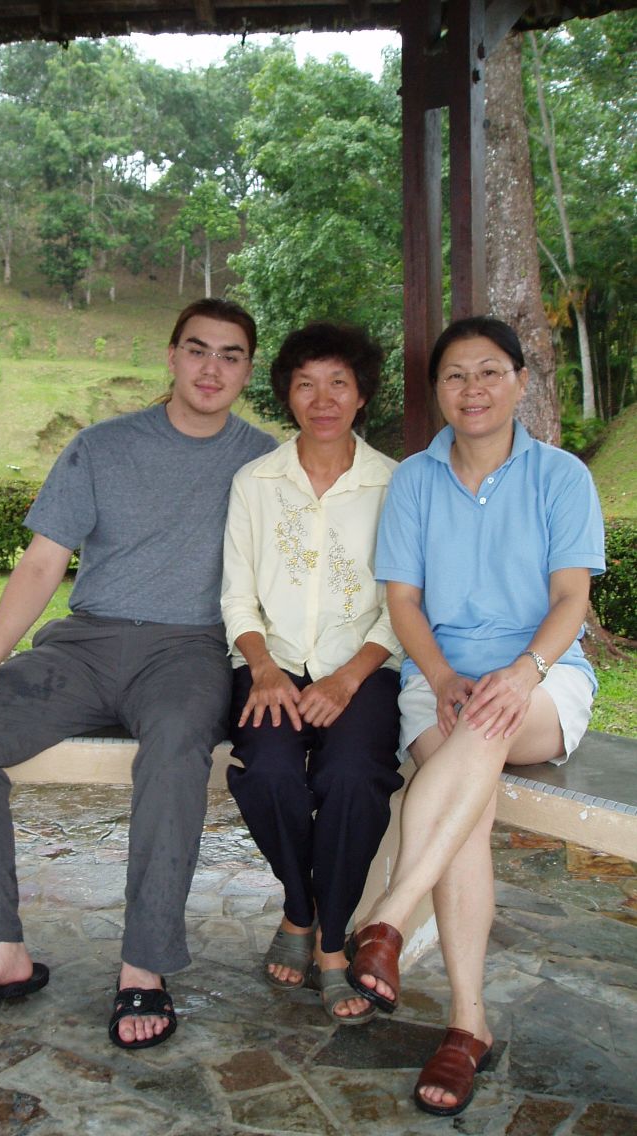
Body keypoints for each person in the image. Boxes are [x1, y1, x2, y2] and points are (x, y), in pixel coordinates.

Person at [0, 298, 277, 1049]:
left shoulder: (263, 463)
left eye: (231, 354)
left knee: (177, 746)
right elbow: (44, 560)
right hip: (83, 645)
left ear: (248, 370)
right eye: (198, 350)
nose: (213, 367)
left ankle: (144, 965)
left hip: (188, 651)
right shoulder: (102, 447)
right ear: (171, 357)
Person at [346, 316, 605, 1116]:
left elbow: (571, 599)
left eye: (490, 372)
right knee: (470, 774)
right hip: (442, 676)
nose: (473, 390)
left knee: (484, 730)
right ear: (438, 392)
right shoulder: (416, 481)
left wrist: (522, 674)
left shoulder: (561, 476)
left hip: (543, 673)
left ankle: (387, 920)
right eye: (456, 376)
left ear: (521, 382)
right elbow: (404, 601)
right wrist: (443, 674)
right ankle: (466, 1023)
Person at [221, 321, 404, 1024]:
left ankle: (329, 943)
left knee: (352, 777)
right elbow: (237, 593)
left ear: (361, 396)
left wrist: (349, 679)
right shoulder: (255, 481)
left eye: (338, 383)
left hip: (361, 668)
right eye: (305, 383)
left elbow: (404, 602)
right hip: (269, 665)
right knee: (266, 770)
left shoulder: (395, 483)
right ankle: (304, 910)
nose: (322, 398)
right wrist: (263, 668)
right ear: (287, 394)